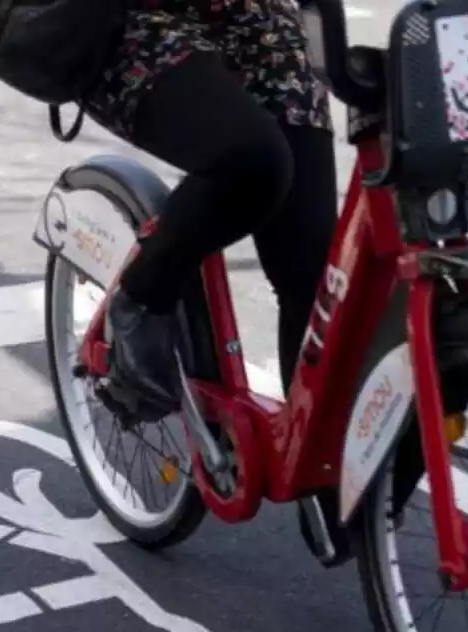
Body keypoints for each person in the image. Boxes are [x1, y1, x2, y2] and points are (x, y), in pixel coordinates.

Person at [85, 0, 337, 416]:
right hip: (129, 22)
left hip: (254, 18)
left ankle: (308, 460)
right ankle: (142, 299)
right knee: (253, 163)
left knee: (317, 282)